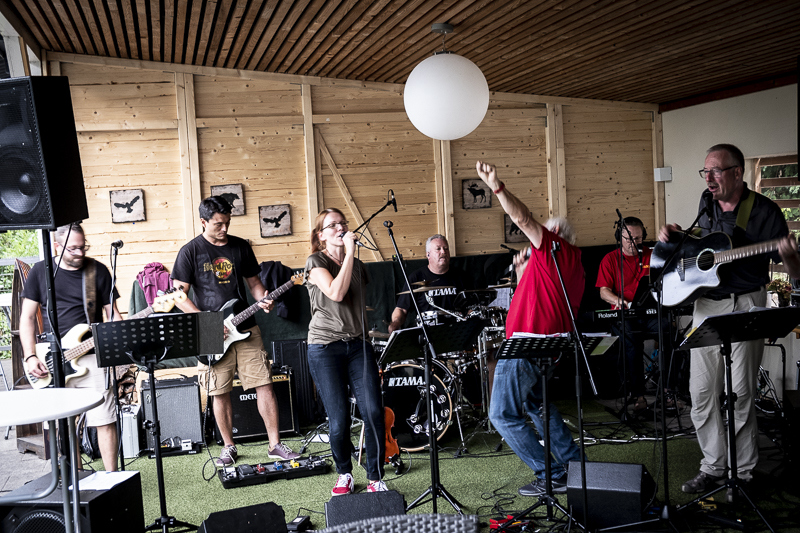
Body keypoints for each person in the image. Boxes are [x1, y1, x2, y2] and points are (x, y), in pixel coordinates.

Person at [658, 144, 800, 502]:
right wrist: (676, 237)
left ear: (738, 173)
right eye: (705, 171)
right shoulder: (706, 204)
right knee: (701, 393)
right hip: (707, 306)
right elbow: (702, 249)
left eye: (716, 171)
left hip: (746, 303)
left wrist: (790, 258)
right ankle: (713, 466)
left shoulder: (765, 211)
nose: (709, 178)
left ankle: (743, 472)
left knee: (741, 394)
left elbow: (794, 270)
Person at [475, 161, 585, 497]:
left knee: (502, 415)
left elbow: (523, 219)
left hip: (526, 345)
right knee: (540, 407)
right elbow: (539, 298)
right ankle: (575, 466)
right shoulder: (573, 263)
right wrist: (524, 272)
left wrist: (496, 187)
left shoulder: (552, 247)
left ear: (554, 233)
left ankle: (549, 474)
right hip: (550, 347)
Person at [171, 196, 299, 467]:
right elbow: (178, 296)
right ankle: (229, 446)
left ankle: (275, 444)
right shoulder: (189, 251)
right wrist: (206, 321)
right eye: (218, 224)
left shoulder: (241, 246)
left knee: (264, 383)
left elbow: (254, 283)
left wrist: (263, 298)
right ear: (203, 221)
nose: (225, 228)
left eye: (227, 223)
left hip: (246, 325)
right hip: (209, 330)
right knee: (219, 391)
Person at [19, 223, 122, 471]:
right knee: (64, 424)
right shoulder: (40, 272)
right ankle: (76, 477)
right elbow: (27, 318)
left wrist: (121, 335)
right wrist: (30, 356)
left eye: (83, 247)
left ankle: (112, 478)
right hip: (52, 358)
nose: (80, 253)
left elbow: (113, 315)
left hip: (93, 355)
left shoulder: (97, 270)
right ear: (57, 246)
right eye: (73, 248)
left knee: (105, 419)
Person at [305, 208, 387, 495]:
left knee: (373, 412)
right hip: (324, 347)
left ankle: (376, 477)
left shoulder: (359, 266)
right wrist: (350, 252)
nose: (340, 228)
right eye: (332, 225)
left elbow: (354, 304)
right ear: (321, 235)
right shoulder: (315, 261)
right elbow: (336, 293)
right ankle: (344, 473)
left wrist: (351, 257)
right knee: (339, 420)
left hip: (358, 346)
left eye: (343, 223)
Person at [596, 216, 671, 412]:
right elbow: (604, 292)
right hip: (624, 315)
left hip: (649, 313)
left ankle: (667, 391)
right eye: (629, 238)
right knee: (631, 342)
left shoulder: (653, 255)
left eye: (638, 238)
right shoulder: (609, 259)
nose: (633, 243)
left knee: (670, 332)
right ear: (619, 237)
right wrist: (619, 301)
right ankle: (638, 395)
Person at [388, 234, 466, 333]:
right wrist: (396, 322)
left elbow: (471, 306)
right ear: (428, 255)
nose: (443, 252)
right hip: (427, 333)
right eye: (438, 249)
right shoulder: (416, 278)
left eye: (446, 248)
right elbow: (401, 309)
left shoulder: (461, 276)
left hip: (457, 331)